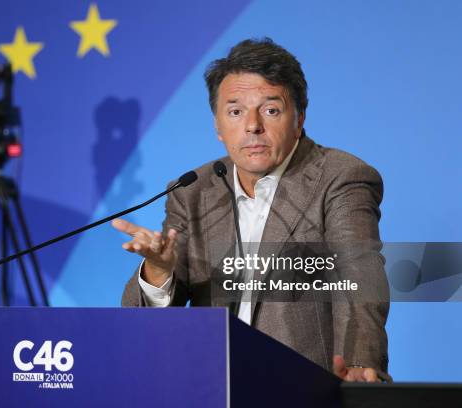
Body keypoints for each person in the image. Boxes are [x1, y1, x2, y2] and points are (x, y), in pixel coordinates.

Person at [112, 38, 390, 382]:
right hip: (210, 388)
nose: (252, 125)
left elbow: (359, 272)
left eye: (271, 110)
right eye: (235, 111)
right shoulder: (192, 191)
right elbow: (144, 323)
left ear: (299, 118)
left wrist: (359, 363)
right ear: (217, 125)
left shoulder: (340, 178)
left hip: (303, 388)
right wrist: (158, 271)